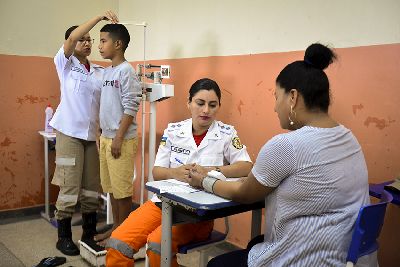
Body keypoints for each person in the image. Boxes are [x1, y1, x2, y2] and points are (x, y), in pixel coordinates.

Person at [188, 44, 377, 267]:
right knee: (256, 242)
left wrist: (204, 180)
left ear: (293, 97)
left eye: (277, 97)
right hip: (345, 255)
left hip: (311, 260)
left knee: (218, 264)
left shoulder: (287, 145)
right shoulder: (349, 138)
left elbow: (245, 193)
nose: (275, 108)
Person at [105, 78, 253, 267]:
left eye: (212, 105)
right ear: (189, 103)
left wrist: (211, 170)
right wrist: (174, 173)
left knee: (158, 244)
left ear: (219, 106)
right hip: (163, 204)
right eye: (200, 103)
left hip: (198, 214)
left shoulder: (226, 133)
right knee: (118, 242)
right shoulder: (174, 130)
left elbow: (246, 166)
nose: (206, 110)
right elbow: (157, 172)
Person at [50, 11, 118, 256]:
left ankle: (88, 233)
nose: (87, 43)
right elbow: (71, 40)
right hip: (68, 133)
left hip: (91, 136)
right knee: (69, 186)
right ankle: (64, 236)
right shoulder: (65, 64)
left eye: (91, 40)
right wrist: (99, 17)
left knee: (91, 187)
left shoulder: (100, 72)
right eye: (83, 39)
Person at [95, 23, 142, 245]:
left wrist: (118, 138)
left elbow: (131, 107)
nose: (99, 46)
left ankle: (123, 235)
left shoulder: (126, 71)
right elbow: (106, 105)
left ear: (118, 44)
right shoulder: (108, 71)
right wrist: (101, 134)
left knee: (122, 190)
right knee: (112, 188)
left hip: (120, 140)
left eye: (103, 41)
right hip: (106, 137)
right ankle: (116, 228)